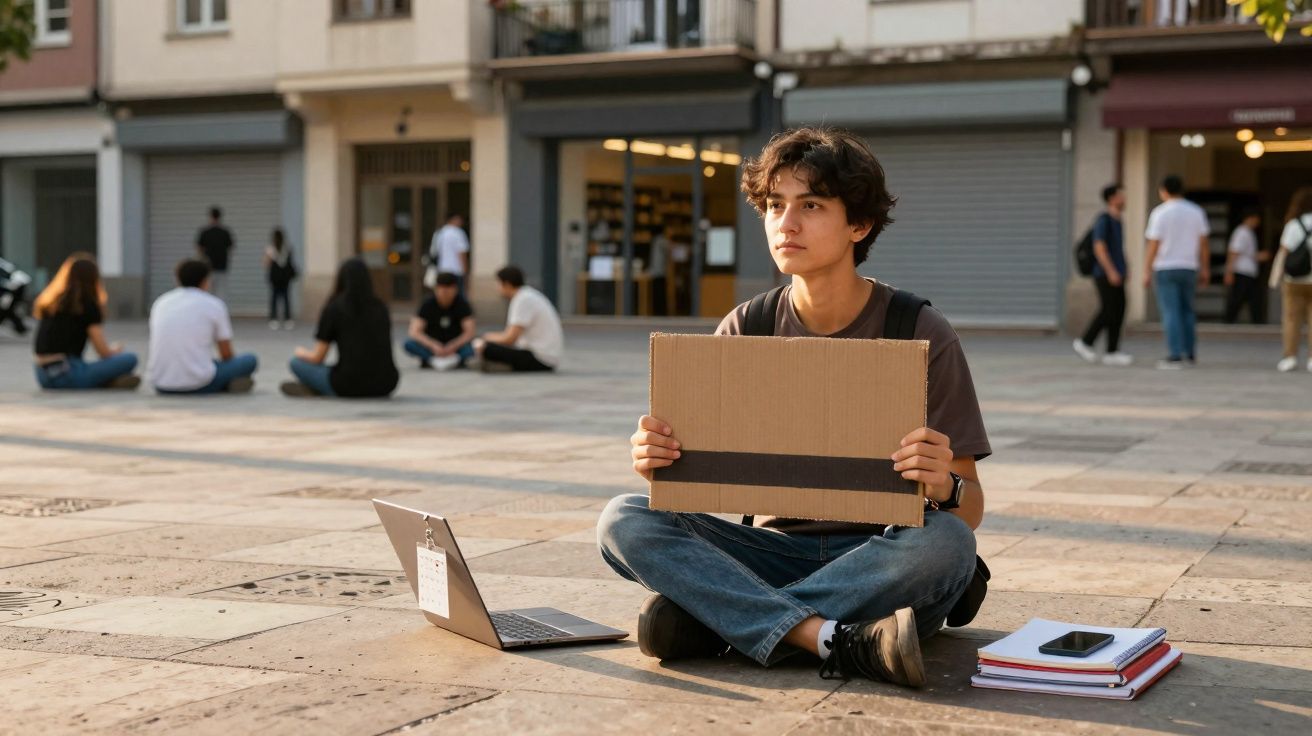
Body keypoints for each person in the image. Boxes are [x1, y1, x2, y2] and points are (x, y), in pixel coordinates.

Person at [597, 128, 989, 689]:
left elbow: (970, 507)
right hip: (770, 550)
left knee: (948, 543)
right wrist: (660, 461)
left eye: (811, 205)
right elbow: (699, 479)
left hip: (881, 558)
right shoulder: (746, 327)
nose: (787, 223)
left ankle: (724, 623)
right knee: (623, 518)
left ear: (859, 224)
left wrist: (943, 488)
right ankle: (833, 638)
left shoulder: (917, 330)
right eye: (775, 206)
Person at [282, 257, 399, 398]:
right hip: (387, 383)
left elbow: (317, 357)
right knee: (339, 369)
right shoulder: (381, 307)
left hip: (348, 385)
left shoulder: (335, 308)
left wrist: (300, 352)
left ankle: (318, 388)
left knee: (296, 363)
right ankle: (318, 387)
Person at [147, 259, 257, 395]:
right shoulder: (214, 305)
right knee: (250, 360)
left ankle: (225, 382)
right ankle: (227, 383)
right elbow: (226, 354)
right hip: (200, 383)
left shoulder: (160, 303)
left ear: (177, 280)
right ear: (205, 281)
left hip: (161, 383)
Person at [31, 254, 140, 390]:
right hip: (68, 373)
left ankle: (103, 380)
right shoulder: (88, 305)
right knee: (130, 358)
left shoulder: (52, 303)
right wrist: (115, 350)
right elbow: (103, 352)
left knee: (98, 368)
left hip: (42, 375)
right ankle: (107, 381)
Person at [1144, 174, 1210, 370]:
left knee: (1171, 312)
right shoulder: (1196, 211)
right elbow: (1204, 244)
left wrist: (1146, 269)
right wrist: (1205, 267)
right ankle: (1189, 353)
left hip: (1165, 267)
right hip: (1189, 266)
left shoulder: (1160, 213)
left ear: (1164, 190)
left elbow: (1153, 244)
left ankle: (1174, 355)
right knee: (1187, 311)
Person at [1074, 184, 1132, 366]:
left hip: (1116, 272)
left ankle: (1112, 351)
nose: (1124, 199)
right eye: (1121, 196)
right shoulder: (1104, 220)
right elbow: (1099, 247)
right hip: (1104, 273)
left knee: (1119, 309)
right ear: (1112, 199)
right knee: (1109, 309)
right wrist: (1111, 271)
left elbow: (1118, 249)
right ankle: (1085, 342)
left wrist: (1125, 268)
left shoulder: (1118, 220)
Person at [473, 265, 563, 373]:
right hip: (545, 356)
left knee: (486, 347)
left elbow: (510, 338)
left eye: (498, 284)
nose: (497, 288)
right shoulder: (526, 295)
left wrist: (486, 338)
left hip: (541, 359)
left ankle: (498, 365)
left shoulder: (523, 299)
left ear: (506, 284)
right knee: (487, 345)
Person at [1271, 187, 1312, 372]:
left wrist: (1275, 278)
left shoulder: (1293, 225)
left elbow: (1283, 253)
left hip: (1293, 280)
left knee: (1291, 319)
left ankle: (1290, 357)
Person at [403, 271, 476, 370]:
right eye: (441, 289)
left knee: (476, 345)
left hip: (455, 347)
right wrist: (433, 345)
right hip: (432, 346)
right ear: (436, 289)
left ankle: (453, 360)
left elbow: (469, 332)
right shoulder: (427, 304)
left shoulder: (462, 304)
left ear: (455, 289)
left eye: (448, 289)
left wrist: (453, 346)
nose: (444, 293)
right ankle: (434, 360)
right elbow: (414, 331)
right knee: (409, 344)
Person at [1223, 209, 1269, 325]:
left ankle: (1257, 321)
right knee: (1237, 299)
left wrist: (1259, 256)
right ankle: (1228, 321)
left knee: (1253, 298)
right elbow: (1234, 252)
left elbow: (1248, 254)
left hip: (1249, 272)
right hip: (1241, 271)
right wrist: (1229, 271)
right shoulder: (1241, 232)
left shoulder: (1249, 232)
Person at [196, 206, 235, 301]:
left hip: (208, 266)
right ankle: (220, 311)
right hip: (222, 265)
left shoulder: (205, 232)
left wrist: (202, 260)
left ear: (210, 217)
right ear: (220, 217)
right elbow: (231, 248)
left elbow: (199, 248)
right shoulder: (225, 232)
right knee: (221, 291)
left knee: (208, 290)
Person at [428, 213, 470, 296]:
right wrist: (465, 270)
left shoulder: (440, 233)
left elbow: (434, 251)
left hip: (442, 269)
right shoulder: (458, 233)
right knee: (458, 295)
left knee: (444, 294)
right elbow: (462, 253)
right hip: (456, 270)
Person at [264, 228, 297, 330]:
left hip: (274, 277)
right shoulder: (287, 248)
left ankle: (274, 319)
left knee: (274, 298)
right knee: (286, 298)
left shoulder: (270, 249)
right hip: (285, 278)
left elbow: (266, 263)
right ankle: (288, 319)